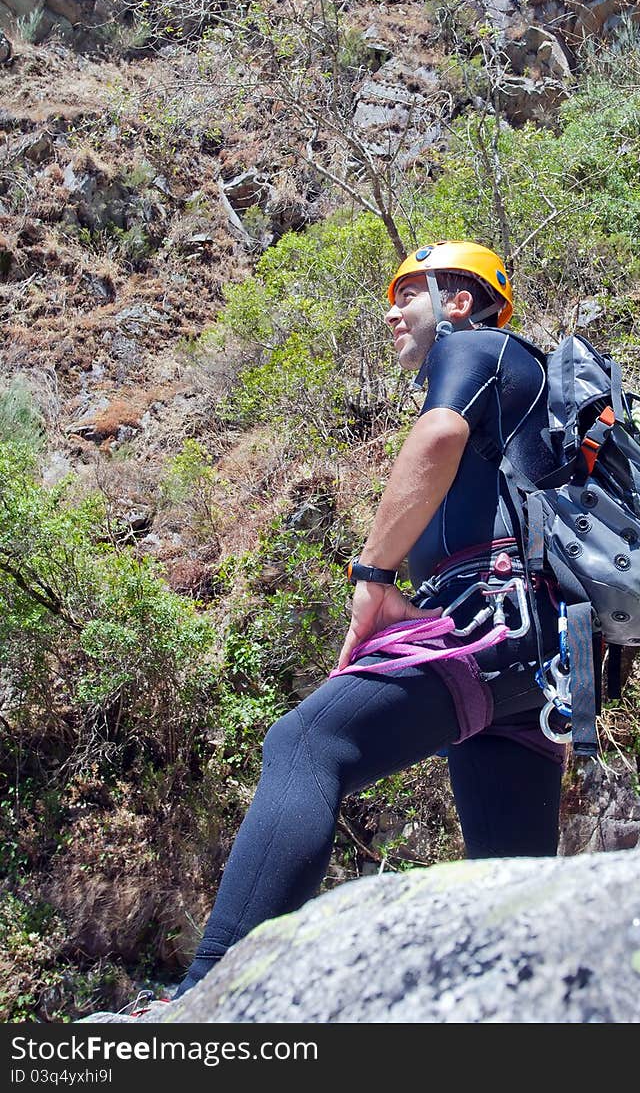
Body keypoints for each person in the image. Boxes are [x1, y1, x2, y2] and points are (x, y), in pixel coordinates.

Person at [174, 241, 564, 998]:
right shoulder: (519, 382)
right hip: (533, 660)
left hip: (487, 622)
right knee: (508, 884)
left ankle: (208, 998)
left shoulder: (481, 348)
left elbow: (439, 436)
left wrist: (373, 575)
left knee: (304, 745)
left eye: (407, 295)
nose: (391, 310)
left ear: (458, 301)